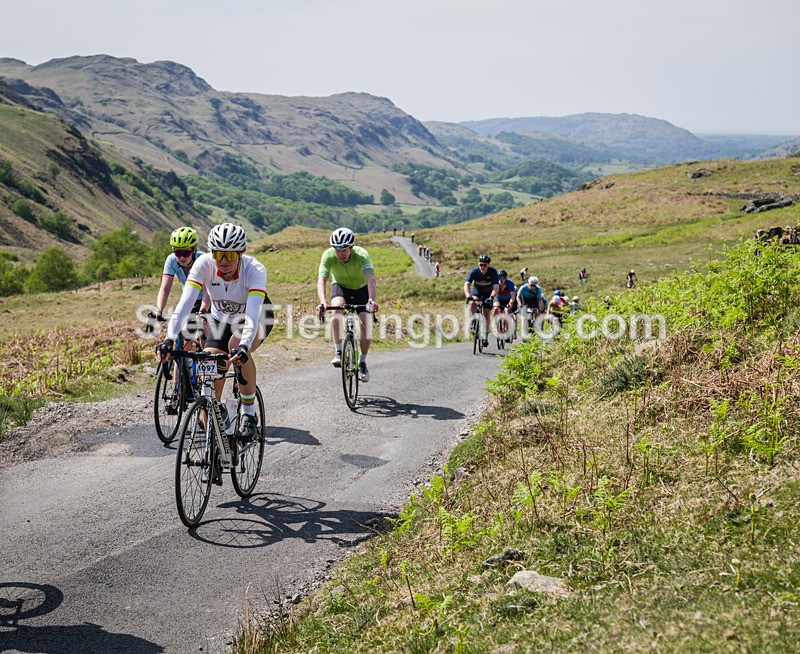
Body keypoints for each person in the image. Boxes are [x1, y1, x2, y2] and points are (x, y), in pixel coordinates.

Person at [156, 223, 272, 443]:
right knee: (210, 365)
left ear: (240, 253)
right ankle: (215, 422)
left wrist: (245, 345)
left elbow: (253, 314)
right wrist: (169, 339)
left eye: (229, 255)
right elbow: (184, 303)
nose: (224, 261)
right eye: (219, 254)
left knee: (235, 349)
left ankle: (248, 413)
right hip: (221, 319)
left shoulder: (254, 270)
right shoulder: (204, 264)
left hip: (255, 317)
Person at [317, 227, 379, 382]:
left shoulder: (362, 255)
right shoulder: (328, 255)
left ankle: (362, 362)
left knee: (367, 325)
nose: (340, 254)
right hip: (341, 288)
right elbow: (322, 280)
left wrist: (371, 300)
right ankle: (338, 352)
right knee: (336, 310)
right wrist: (323, 301)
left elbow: (371, 280)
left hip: (361, 290)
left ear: (351, 248)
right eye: (337, 250)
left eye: (344, 250)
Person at [148, 227, 209, 339]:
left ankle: (206, 355)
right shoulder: (171, 260)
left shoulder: (203, 260)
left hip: (208, 299)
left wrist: (202, 313)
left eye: (186, 253)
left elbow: (207, 292)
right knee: (185, 333)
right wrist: (159, 310)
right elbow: (165, 289)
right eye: (177, 253)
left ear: (194, 249)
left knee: (205, 333)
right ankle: (185, 356)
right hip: (190, 299)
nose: (181, 257)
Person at [464, 254, 499, 348]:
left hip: (488, 293)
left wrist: (492, 297)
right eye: (481, 265)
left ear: (488, 265)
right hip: (477, 291)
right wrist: (468, 296)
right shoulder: (474, 271)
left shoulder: (493, 272)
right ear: (478, 264)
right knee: (473, 302)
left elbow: (496, 286)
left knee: (487, 313)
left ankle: (485, 336)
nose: (482, 267)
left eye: (485, 265)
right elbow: (467, 284)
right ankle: (474, 320)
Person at [493, 269, 517, 342]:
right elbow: (494, 295)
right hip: (498, 299)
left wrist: (510, 303)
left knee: (506, 311)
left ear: (505, 278)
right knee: (496, 308)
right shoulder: (496, 283)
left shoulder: (510, 283)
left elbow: (513, 296)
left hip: (508, 300)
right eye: (499, 277)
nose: (500, 280)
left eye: (502, 278)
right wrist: (496, 303)